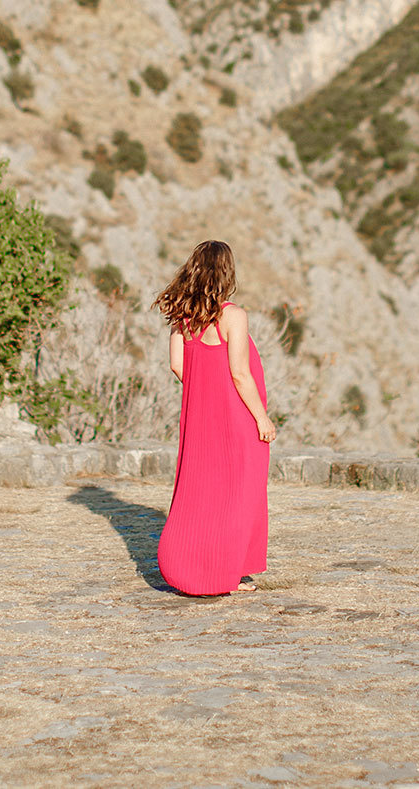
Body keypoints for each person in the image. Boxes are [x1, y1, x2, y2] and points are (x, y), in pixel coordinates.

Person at [152, 240, 274, 596]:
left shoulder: (182, 317)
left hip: (200, 418)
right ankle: (230, 571)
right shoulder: (233, 316)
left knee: (201, 491)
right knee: (240, 494)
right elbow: (240, 373)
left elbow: (177, 365)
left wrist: (206, 392)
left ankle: (191, 567)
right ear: (226, 273)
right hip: (237, 418)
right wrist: (262, 418)